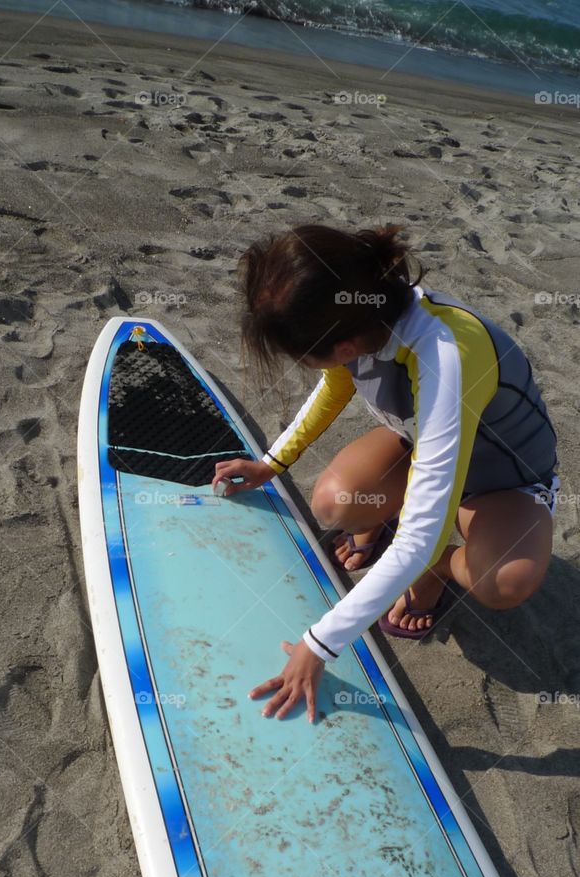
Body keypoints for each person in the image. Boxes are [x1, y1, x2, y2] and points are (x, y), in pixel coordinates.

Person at [213, 224, 559, 724]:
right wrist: (272, 463)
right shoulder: (360, 317)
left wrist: (319, 644)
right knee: (335, 502)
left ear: (346, 344)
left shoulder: (445, 352)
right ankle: (392, 533)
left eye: (301, 356)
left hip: (504, 483)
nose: (303, 365)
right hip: (426, 447)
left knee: (505, 581)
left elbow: (423, 532)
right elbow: (334, 386)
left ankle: (441, 567)